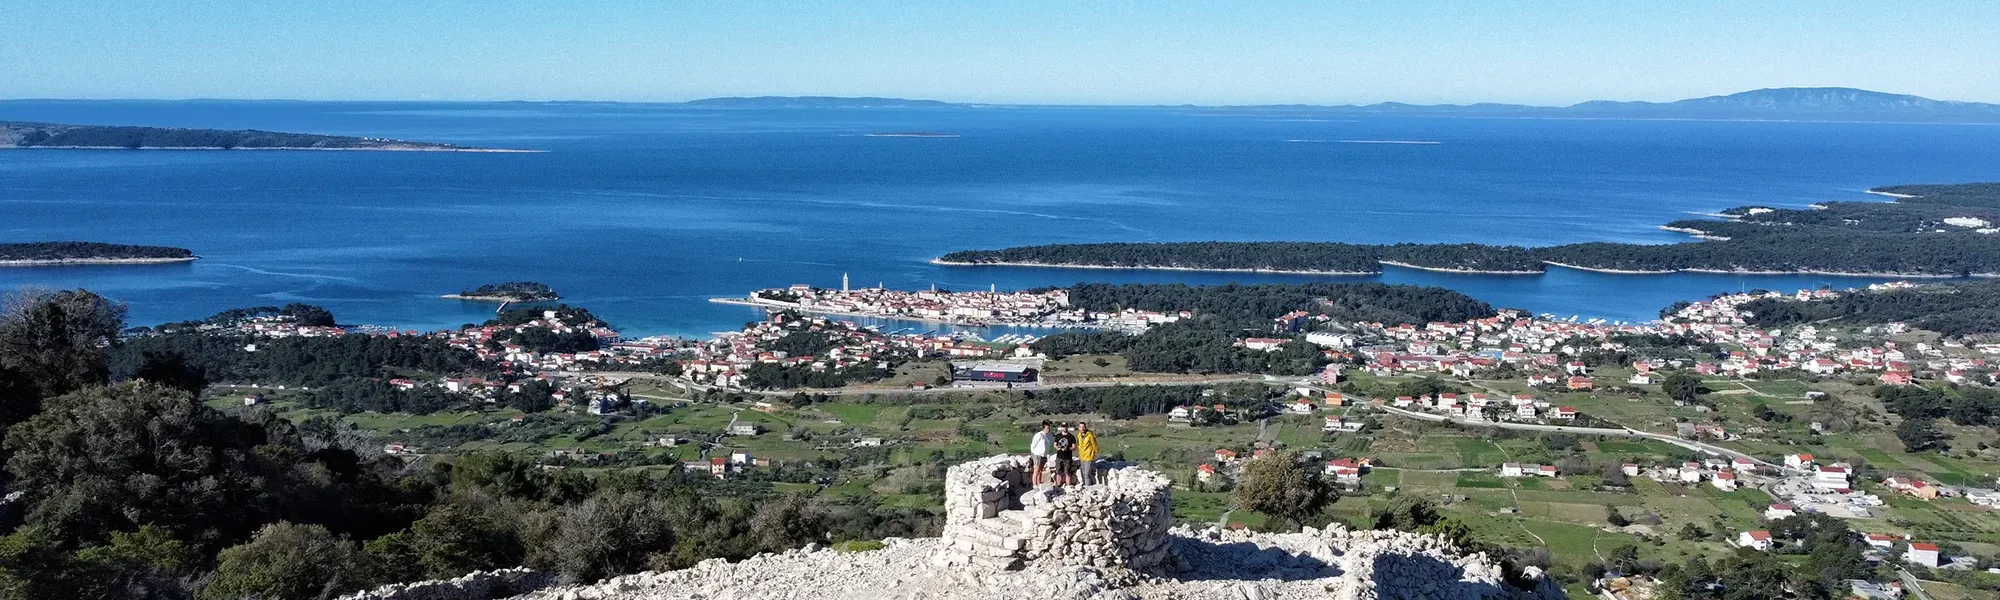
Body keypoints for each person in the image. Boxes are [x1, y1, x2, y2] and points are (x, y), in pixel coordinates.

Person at [1052, 422, 1078, 486]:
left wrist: (1068, 449)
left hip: (1067, 458)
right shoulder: (1058, 436)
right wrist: (1057, 448)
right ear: (1061, 427)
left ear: (1067, 427)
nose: (1064, 428)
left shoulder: (1071, 436)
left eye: (1066, 427)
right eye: (1063, 427)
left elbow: (1074, 446)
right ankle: (1058, 486)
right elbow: (1054, 445)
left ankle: (1068, 486)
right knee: (1058, 472)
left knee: (1068, 473)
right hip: (1059, 457)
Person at [1029, 420, 1052, 487]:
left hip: (1044, 455)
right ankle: (1034, 484)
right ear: (1043, 428)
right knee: (1036, 470)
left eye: (1049, 428)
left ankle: (1039, 483)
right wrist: (1033, 453)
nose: (1048, 430)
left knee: (1040, 470)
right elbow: (1033, 444)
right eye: (1047, 428)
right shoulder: (1039, 435)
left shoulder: (1048, 436)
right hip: (1037, 454)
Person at [1076, 421, 1100, 486]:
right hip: (1082, 457)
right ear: (1079, 428)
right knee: (1083, 473)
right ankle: (1086, 485)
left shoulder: (1090, 435)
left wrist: (1095, 453)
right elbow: (1078, 444)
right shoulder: (1079, 435)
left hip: (1089, 456)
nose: (1082, 428)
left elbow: (1095, 445)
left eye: (1083, 427)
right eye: (1081, 427)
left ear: (1085, 427)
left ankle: (1087, 488)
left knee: (1087, 474)